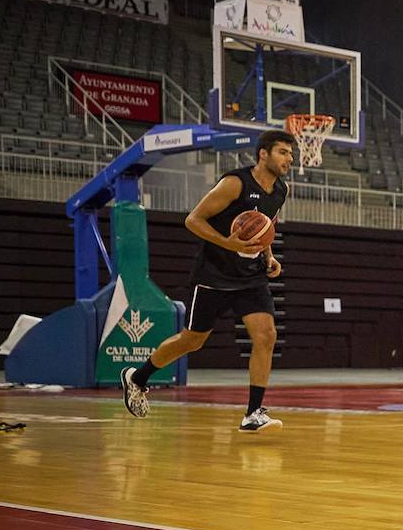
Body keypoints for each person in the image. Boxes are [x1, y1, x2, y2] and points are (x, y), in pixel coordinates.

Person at [120, 130, 294, 432]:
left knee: (266, 336)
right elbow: (193, 220)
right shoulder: (235, 183)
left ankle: (253, 413)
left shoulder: (281, 190)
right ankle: (138, 377)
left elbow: (266, 223)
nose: (289, 159)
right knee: (193, 340)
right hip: (214, 274)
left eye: (291, 154)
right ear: (263, 154)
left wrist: (268, 256)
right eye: (282, 152)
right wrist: (229, 245)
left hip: (250, 277)